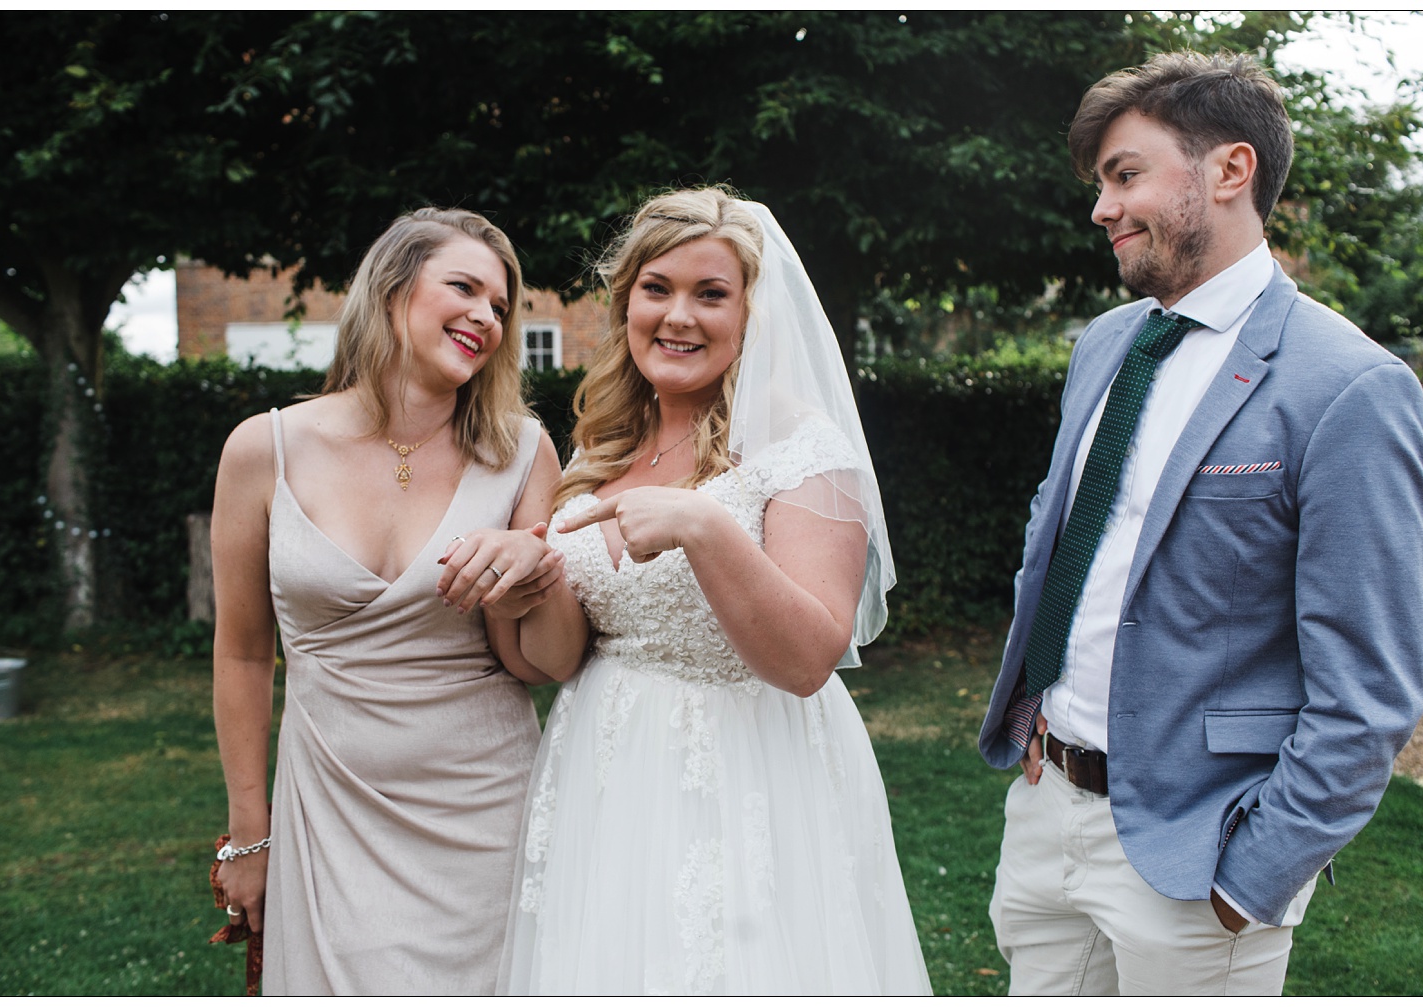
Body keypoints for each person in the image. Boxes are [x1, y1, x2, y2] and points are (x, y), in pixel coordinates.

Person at [977, 51, 1423, 995]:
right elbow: (1066, 551)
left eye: (1125, 175)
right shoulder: (1105, 345)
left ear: (1230, 171)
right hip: (1045, 817)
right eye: (1102, 183)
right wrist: (1037, 713)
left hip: (1198, 860)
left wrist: (1255, 874)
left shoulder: (1350, 387)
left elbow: (1374, 686)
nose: (1102, 207)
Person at [493, 188, 932, 994]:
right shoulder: (605, 443)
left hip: (746, 770)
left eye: (711, 293)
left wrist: (706, 528)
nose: (678, 316)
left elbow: (808, 659)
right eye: (656, 289)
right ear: (627, 303)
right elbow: (557, 658)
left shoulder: (801, 446)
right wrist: (523, 579)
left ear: (751, 313)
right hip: (606, 764)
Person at [211, 207, 580, 995]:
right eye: (465, 287)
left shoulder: (522, 451)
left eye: (501, 307)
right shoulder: (261, 449)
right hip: (331, 806)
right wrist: (249, 837)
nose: (486, 315)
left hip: (487, 809)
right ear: (390, 288)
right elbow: (243, 653)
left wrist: (538, 567)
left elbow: (542, 661)